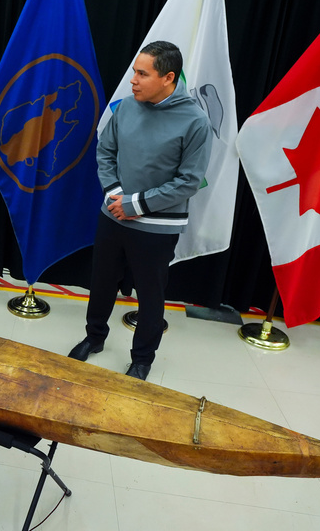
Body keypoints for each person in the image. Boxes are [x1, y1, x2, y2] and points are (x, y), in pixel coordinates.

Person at [69, 41, 212, 381]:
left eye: (142, 73)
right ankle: (94, 337)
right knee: (101, 282)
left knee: (151, 294)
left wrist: (135, 205)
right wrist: (117, 197)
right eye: (135, 71)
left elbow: (189, 182)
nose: (133, 80)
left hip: (156, 228)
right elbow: (105, 153)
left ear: (168, 78)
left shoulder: (195, 123)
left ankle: (143, 358)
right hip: (113, 216)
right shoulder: (127, 108)